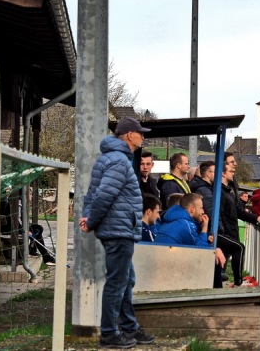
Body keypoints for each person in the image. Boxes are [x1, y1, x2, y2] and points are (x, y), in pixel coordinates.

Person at [79, 117, 155, 348]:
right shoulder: (120, 161)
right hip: (119, 228)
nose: (143, 137)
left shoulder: (110, 158)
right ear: (130, 135)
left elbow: (92, 194)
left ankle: (129, 327)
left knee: (126, 278)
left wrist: (88, 216)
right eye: (140, 133)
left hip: (117, 226)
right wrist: (91, 221)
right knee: (117, 281)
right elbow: (103, 195)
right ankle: (110, 333)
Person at [218, 165, 260, 287]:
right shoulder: (220, 192)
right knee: (239, 248)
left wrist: (255, 218)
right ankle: (238, 283)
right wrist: (225, 231)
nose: (233, 173)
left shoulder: (229, 191)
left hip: (231, 229)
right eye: (231, 171)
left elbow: (238, 211)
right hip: (224, 231)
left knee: (227, 256)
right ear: (223, 173)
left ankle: (223, 282)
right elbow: (221, 214)